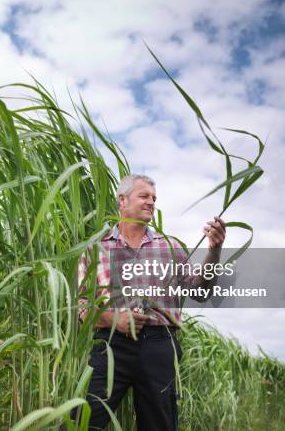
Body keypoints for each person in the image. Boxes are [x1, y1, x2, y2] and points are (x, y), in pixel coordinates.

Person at [71, 174, 226, 430]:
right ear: (122, 200)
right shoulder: (96, 250)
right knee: (83, 422)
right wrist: (114, 320)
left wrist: (214, 250)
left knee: (159, 425)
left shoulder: (170, 247)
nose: (151, 202)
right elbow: (82, 307)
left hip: (159, 345)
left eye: (154, 198)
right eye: (144, 196)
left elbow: (200, 291)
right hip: (110, 346)